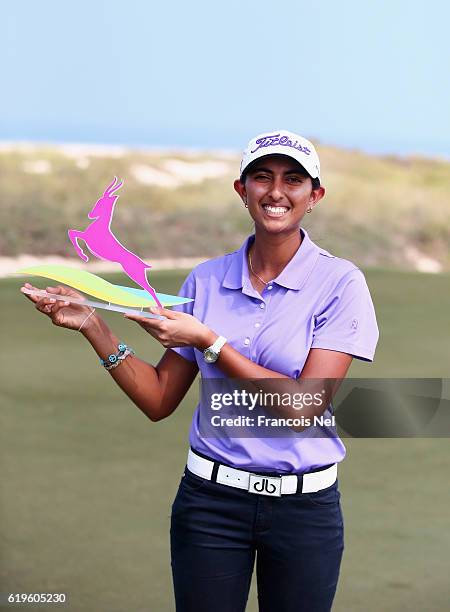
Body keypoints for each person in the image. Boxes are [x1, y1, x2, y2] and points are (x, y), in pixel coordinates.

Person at [21, 129, 379, 612]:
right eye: (262, 178)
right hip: (210, 502)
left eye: (293, 180)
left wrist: (210, 341)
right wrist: (92, 325)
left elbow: (303, 405)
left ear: (314, 196)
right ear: (241, 190)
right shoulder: (207, 279)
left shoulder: (340, 283)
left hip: (304, 509)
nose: (276, 192)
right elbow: (158, 399)